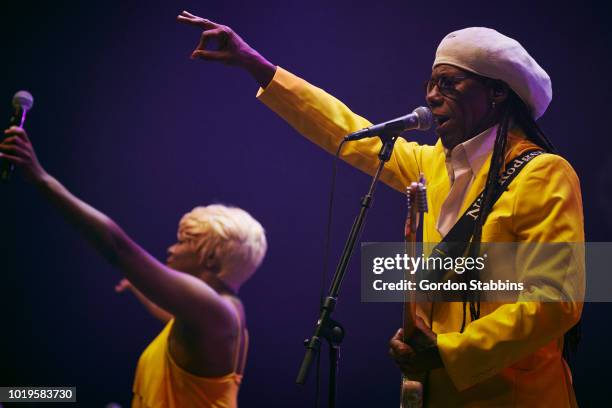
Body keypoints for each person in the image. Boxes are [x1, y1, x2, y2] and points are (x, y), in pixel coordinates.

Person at [176, 11, 584, 407]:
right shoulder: (432, 165)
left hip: (513, 396)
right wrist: (257, 65)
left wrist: (449, 351)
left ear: (497, 92)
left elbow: (556, 301)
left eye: (448, 83)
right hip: (437, 392)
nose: (430, 95)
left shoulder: (543, 173)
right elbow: (347, 130)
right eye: (430, 83)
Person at [0, 127, 267, 407]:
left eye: (183, 241)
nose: (171, 249)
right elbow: (166, 310)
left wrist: (42, 179)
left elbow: (118, 248)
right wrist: (136, 284)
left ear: (210, 259)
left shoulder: (214, 312)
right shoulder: (222, 320)